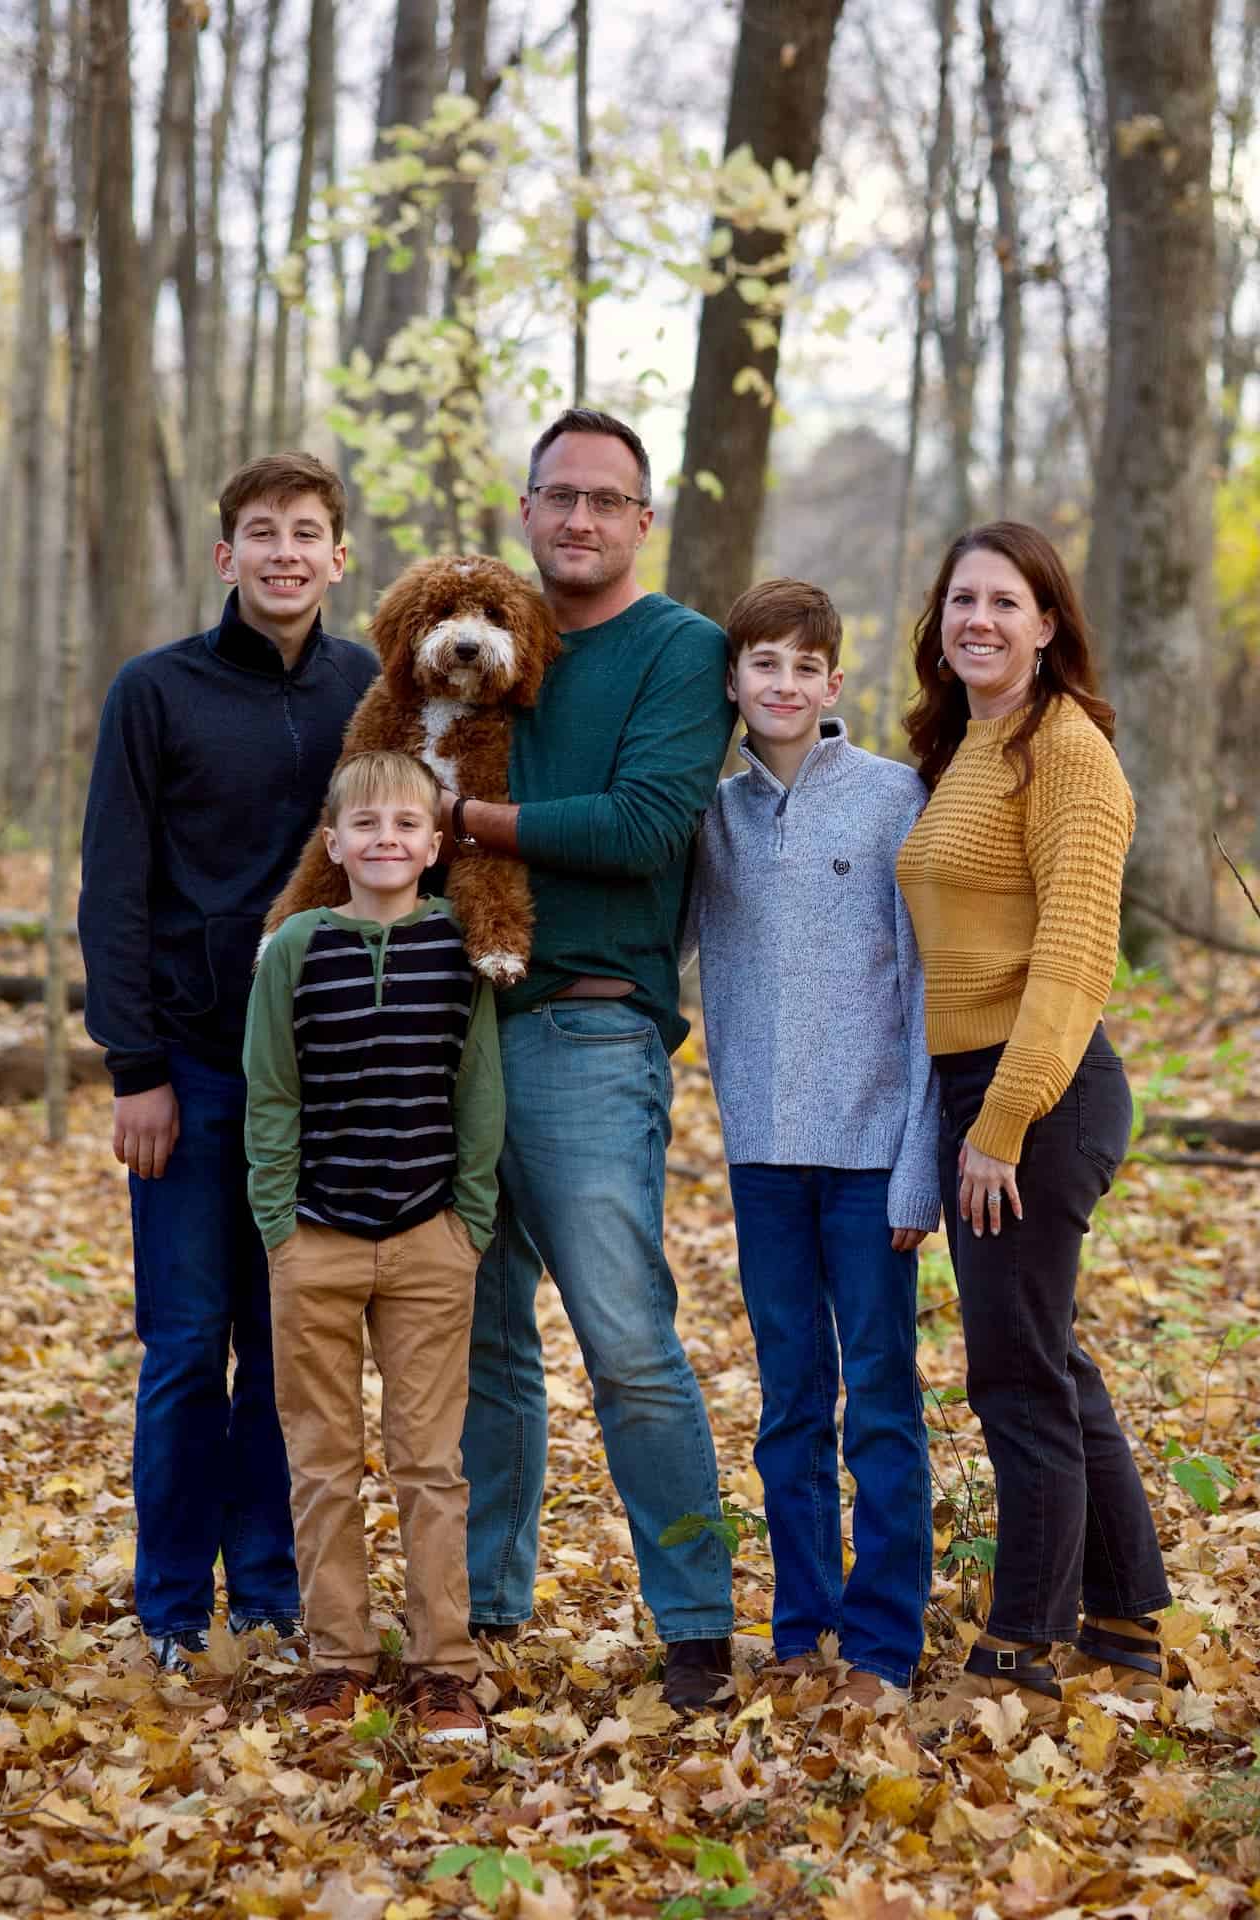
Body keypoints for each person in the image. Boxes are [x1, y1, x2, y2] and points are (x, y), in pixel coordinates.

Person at [435, 407, 738, 1710]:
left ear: (642, 521)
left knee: (625, 1334)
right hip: (453, 1025)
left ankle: (696, 1621)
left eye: (605, 500)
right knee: (482, 1335)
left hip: (590, 1031)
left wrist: (467, 823)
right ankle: (491, 1606)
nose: (579, 519)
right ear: (525, 506)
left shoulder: (682, 650)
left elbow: (646, 824)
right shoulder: (485, 636)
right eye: (558, 495)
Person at [78, 453, 380, 1672]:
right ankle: (167, 1612)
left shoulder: (369, 689)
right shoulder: (155, 692)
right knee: (187, 1344)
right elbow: (114, 890)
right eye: (262, 532)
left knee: (288, 1347)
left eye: (307, 532)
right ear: (226, 556)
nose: (285, 553)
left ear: (338, 557)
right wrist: (132, 1067)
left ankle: (263, 1596)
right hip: (194, 1077)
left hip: (321, 1082)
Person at [896, 521, 1171, 1723]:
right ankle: (1123, 1619)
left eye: (1005, 602)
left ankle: (1018, 1644)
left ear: (1049, 623)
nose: (979, 621)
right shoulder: (969, 743)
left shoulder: (1064, 752)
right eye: (961, 600)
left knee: (1012, 1374)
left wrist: (1000, 1122)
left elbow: (1070, 957)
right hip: (983, 1087)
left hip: (1037, 1089)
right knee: (1048, 1356)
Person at [683, 578, 939, 1711]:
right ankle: (801, 1623)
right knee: (789, 1401)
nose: (781, 685)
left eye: (803, 667)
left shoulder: (894, 800)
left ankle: (881, 1640)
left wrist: (920, 1159)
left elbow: (930, 986)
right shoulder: (709, 814)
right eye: (761, 666)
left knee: (880, 1397)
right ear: (731, 684)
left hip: (872, 1155)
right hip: (762, 1158)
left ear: (833, 684)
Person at [243, 751, 502, 1738]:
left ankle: (444, 1666)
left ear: (435, 846)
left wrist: (467, 1221)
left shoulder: (459, 944)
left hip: (429, 1240)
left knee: (429, 1463)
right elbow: (272, 1092)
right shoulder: (297, 946)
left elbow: (477, 1092)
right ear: (333, 844)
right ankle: (336, 1660)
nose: (385, 839)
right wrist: (282, 1227)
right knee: (322, 1459)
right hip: (318, 1242)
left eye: (406, 824)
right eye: (365, 825)